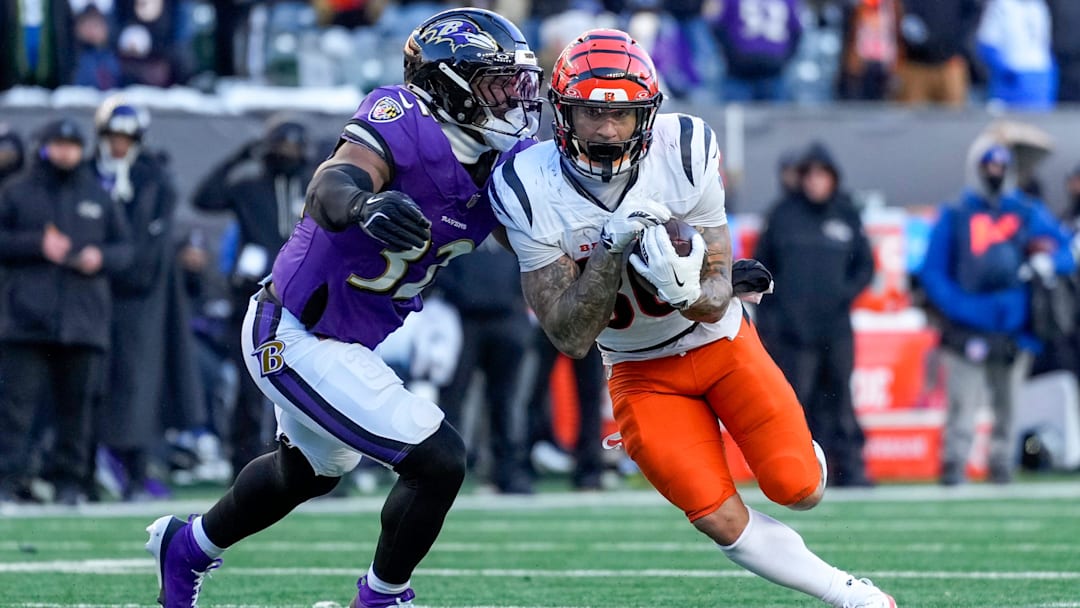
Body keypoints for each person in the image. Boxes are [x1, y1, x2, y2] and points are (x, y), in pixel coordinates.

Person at [145, 8, 543, 608]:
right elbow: (330, 184)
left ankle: (188, 546)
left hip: (349, 341)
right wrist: (363, 207)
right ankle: (382, 598)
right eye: (498, 82)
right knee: (438, 460)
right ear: (451, 85)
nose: (515, 99)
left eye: (520, 83)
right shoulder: (402, 117)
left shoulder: (501, 164)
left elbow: (540, 243)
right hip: (291, 331)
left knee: (306, 473)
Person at [490, 28, 896, 607]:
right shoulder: (526, 185)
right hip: (639, 369)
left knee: (798, 487)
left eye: (624, 115)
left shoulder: (684, 152)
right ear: (562, 113)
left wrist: (691, 286)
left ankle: (804, 455)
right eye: (589, 114)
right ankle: (849, 594)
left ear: (648, 115)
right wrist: (611, 248)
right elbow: (569, 335)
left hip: (718, 342)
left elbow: (716, 289)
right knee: (716, 515)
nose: (606, 130)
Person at [919, 142, 1075, 485]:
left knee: (1009, 403)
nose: (994, 173)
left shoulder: (1025, 211)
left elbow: (1065, 249)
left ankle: (1002, 462)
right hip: (967, 324)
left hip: (1014, 323)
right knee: (963, 402)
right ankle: (954, 463)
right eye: (988, 166)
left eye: (1001, 166)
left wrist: (1046, 261)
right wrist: (961, 307)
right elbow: (933, 272)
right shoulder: (957, 211)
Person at [0, 118, 133, 505]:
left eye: (72, 145)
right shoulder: (16, 191)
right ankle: (9, 479)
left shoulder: (97, 194)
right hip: (25, 320)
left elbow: (125, 251)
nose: (65, 152)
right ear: (44, 146)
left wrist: (100, 256)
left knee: (77, 410)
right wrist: (35, 245)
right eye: (58, 144)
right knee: (15, 408)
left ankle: (70, 481)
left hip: (83, 321)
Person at [91, 96, 204, 501]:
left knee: (139, 382)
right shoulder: (90, 175)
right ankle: (88, 468)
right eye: (113, 136)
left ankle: (136, 470)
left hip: (142, 295)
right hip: (92, 293)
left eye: (126, 137)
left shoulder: (153, 179)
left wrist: (118, 263)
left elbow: (147, 244)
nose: (119, 145)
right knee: (91, 380)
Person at [192, 115, 316, 478]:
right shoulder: (249, 188)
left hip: (306, 302)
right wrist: (237, 157)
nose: (289, 153)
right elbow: (204, 197)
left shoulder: (315, 188)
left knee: (309, 387)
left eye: (295, 147)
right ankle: (244, 465)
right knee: (251, 390)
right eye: (282, 146)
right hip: (256, 300)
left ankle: (312, 467)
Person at [754, 142, 876, 487]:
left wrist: (843, 294)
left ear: (833, 179)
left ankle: (850, 470)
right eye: (810, 175)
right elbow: (761, 270)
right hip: (792, 332)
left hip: (835, 327)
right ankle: (800, 474)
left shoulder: (846, 213)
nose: (816, 183)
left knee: (840, 399)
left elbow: (865, 265)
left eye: (823, 176)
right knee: (796, 404)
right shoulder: (781, 215)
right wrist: (775, 320)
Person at [436, 237, 535, 494]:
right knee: (452, 398)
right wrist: (459, 293)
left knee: (506, 400)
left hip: (507, 316)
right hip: (462, 319)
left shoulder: (510, 211)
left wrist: (517, 299)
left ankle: (509, 472)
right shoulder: (459, 214)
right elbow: (438, 259)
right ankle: (443, 471)